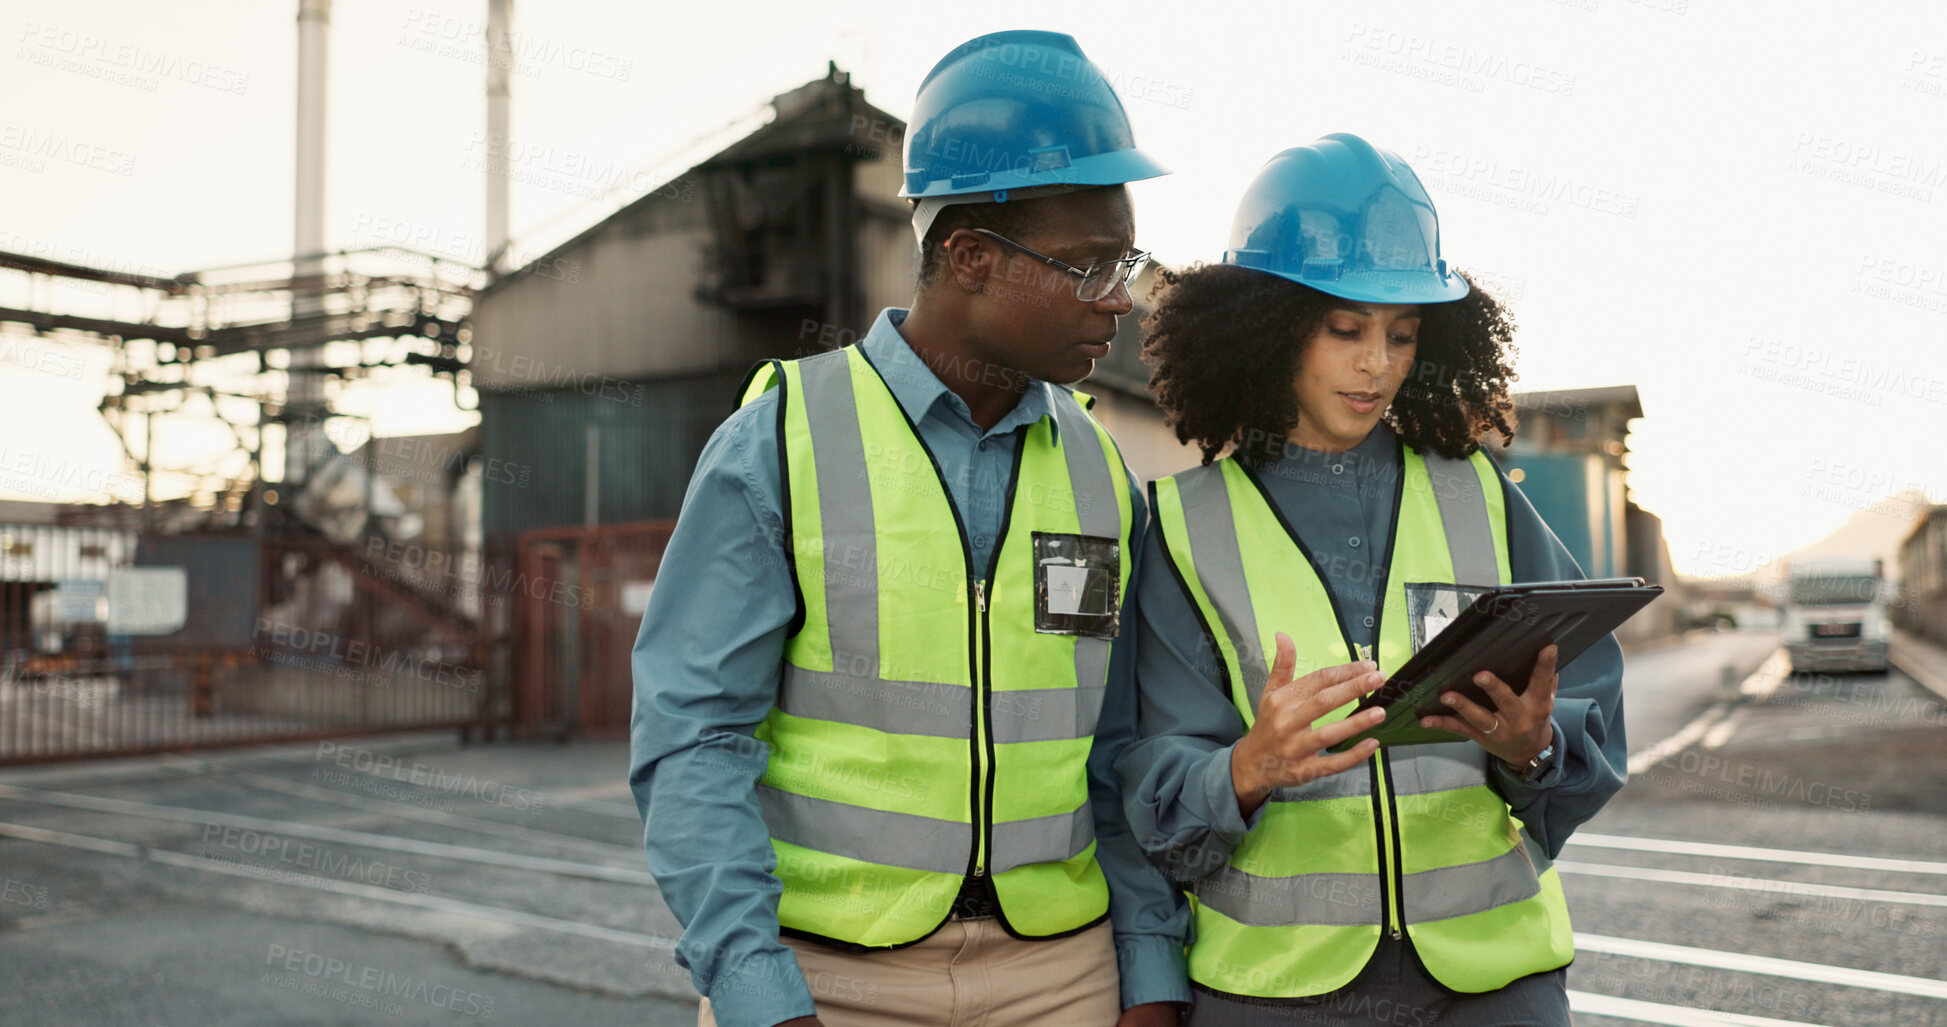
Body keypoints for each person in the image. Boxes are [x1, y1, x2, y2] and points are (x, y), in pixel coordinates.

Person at [630, 31, 1191, 1027]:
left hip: (1058, 977)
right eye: (1090, 265)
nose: (1121, 298)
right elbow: (694, 739)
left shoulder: (1103, 470)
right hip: (831, 982)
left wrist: (1147, 970)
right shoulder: (781, 440)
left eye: (1129, 262)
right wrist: (758, 987)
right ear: (969, 257)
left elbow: (1119, 750)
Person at [1118, 133, 1628, 1026]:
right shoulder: (1182, 526)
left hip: (1494, 987)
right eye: (1344, 329)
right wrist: (1245, 767)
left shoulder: (1479, 491)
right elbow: (1147, 779)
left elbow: (1584, 703)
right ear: (1266, 327)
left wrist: (1531, 749)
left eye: (1402, 334)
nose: (1376, 364)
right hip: (1275, 995)